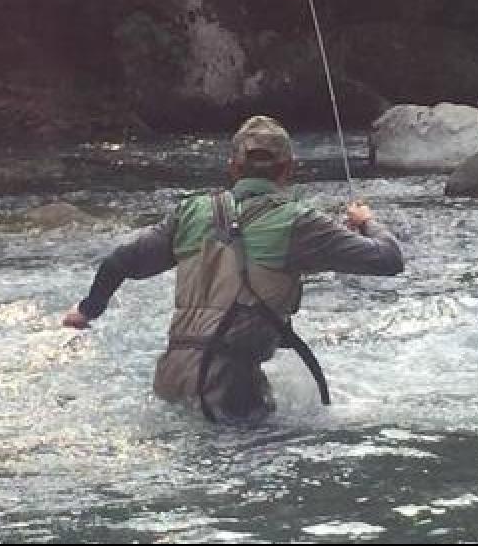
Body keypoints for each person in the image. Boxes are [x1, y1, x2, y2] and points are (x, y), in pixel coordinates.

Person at [63, 115, 404, 424]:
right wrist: (367, 222)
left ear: (233, 168)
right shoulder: (299, 221)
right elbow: (388, 259)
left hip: (171, 376)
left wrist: (86, 311)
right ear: (288, 169)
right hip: (229, 384)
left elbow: (118, 262)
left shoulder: (190, 212)